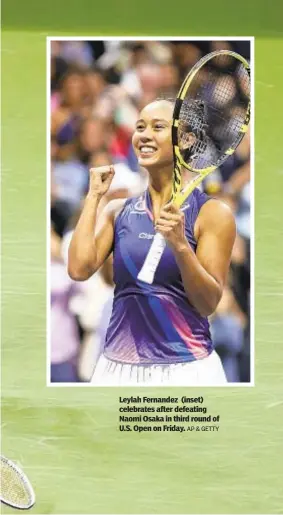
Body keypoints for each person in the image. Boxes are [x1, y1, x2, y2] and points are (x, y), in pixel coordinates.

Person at [68, 99, 236, 386]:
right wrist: (94, 197)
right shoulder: (118, 211)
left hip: (187, 370)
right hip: (116, 369)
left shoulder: (213, 214)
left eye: (158, 127)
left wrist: (181, 246)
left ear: (185, 139)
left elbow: (207, 303)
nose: (143, 135)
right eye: (139, 127)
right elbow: (79, 269)